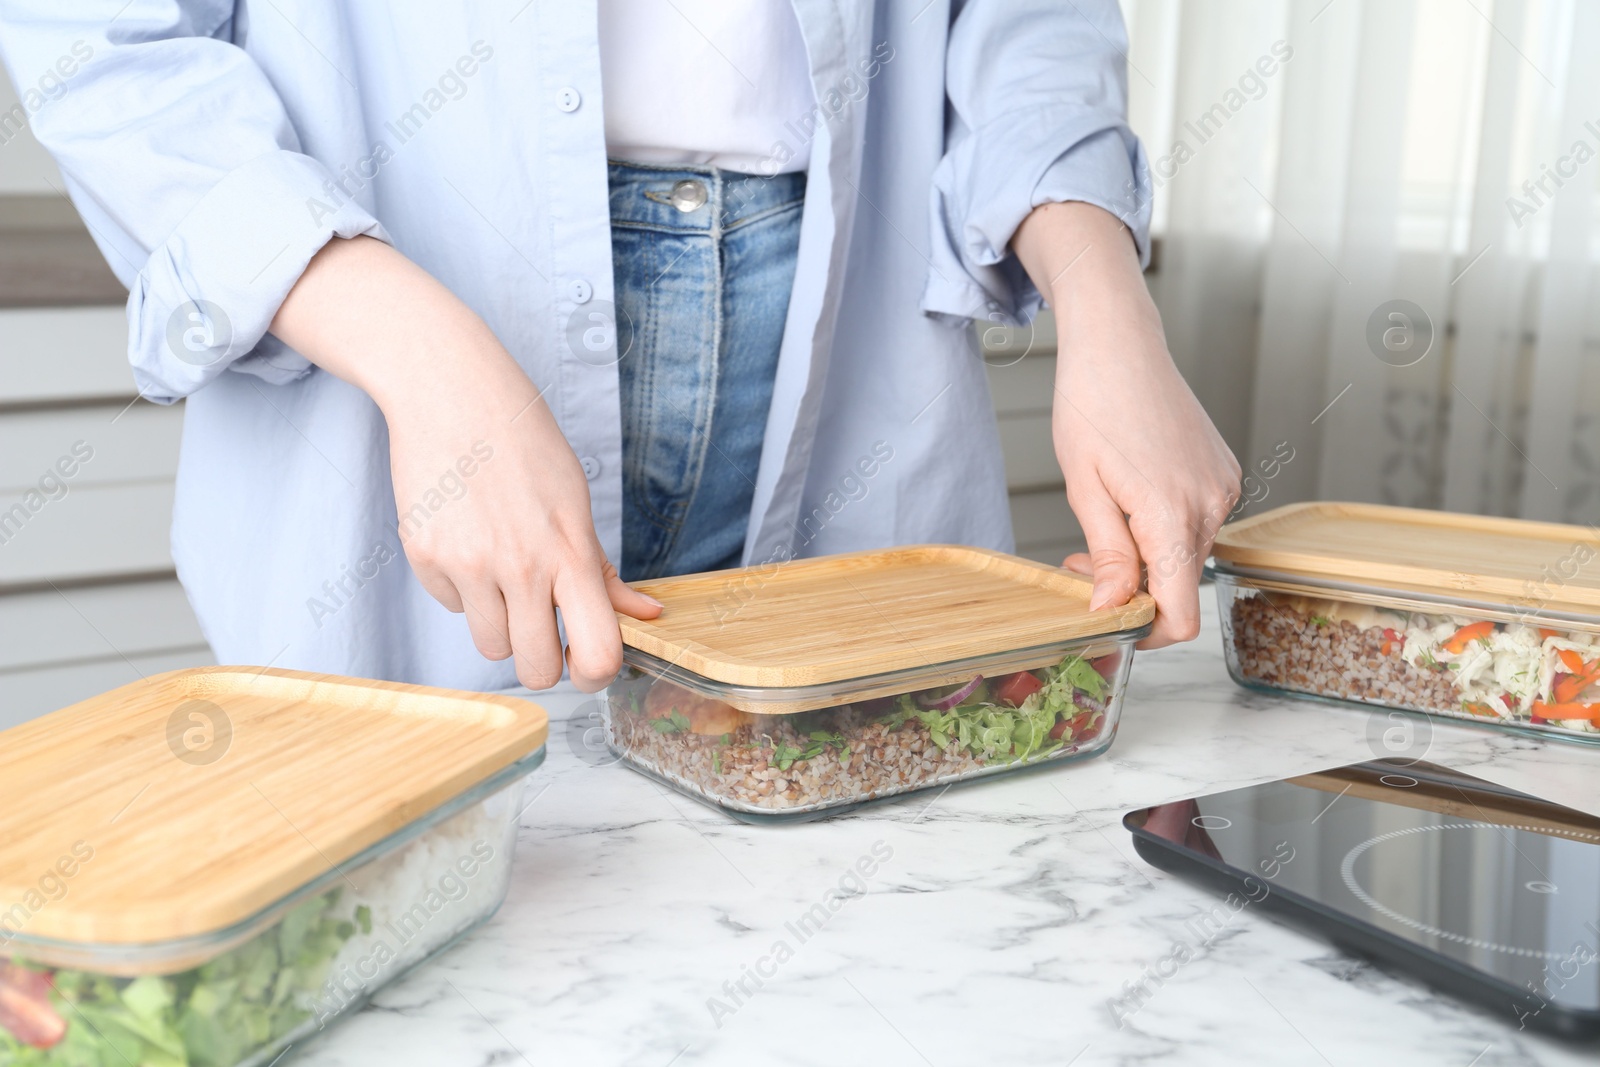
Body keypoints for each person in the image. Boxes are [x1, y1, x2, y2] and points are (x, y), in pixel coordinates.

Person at [0, 1, 1239, 694]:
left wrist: (1106, 298)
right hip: (403, 327)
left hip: (851, 342)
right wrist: (421, 353)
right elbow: (108, 48)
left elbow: (1029, 19)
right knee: (427, 929)